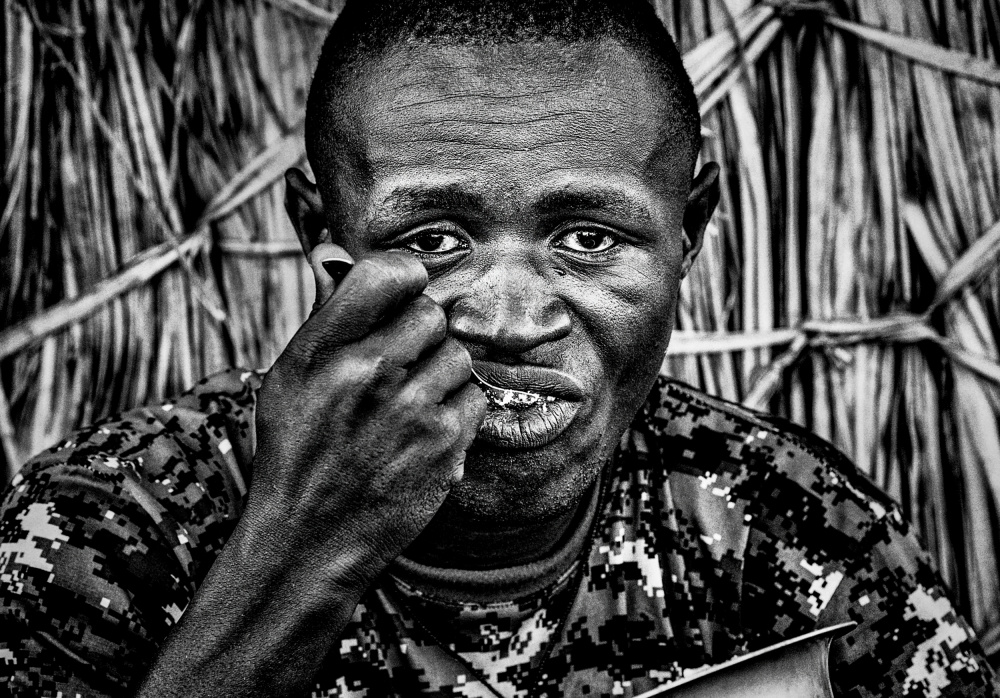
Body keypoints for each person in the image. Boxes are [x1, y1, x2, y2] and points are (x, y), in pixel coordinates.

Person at [1, 1, 997, 696]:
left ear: (687, 231)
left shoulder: (793, 526)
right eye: (432, 237)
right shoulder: (107, 534)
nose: (514, 316)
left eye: (589, 237)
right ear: (328, 242)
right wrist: (297, 555)